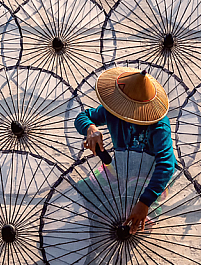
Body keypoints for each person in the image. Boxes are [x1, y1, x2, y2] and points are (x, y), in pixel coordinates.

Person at [74, 67, 176, 233]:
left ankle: (141, 212)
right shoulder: (112, 110)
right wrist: (91, 129)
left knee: (130, 208)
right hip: (121, 166)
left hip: (150, 174)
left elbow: (166, 165)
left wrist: (144, 202)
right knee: (85, 187)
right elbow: (82, 117)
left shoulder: (158, 124)